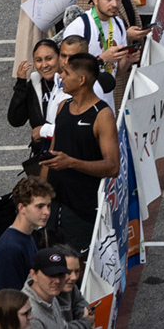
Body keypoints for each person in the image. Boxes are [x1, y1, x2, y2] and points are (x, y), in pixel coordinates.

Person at [39, 54, 119, 250]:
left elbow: (113, 166)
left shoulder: (102, 115)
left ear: (81, 79)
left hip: (83, 209)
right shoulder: (62, 107)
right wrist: (40, 194)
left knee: (79, 268)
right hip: (55, 205)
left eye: (66, 73)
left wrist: (71, 163)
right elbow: (52, 152)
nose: (61, 77)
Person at [23, 245, 111, 329]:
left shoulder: (50, 297)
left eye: (61, 274)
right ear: (33, 274)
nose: (57, 280)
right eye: (50, 275)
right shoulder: (31, 314)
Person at [0, 177, 53, 299]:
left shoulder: (27, 236)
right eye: (40, 206)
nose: (47, 212)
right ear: (22, 208)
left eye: (48, 206)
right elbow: (10, 302)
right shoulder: (10, 249)